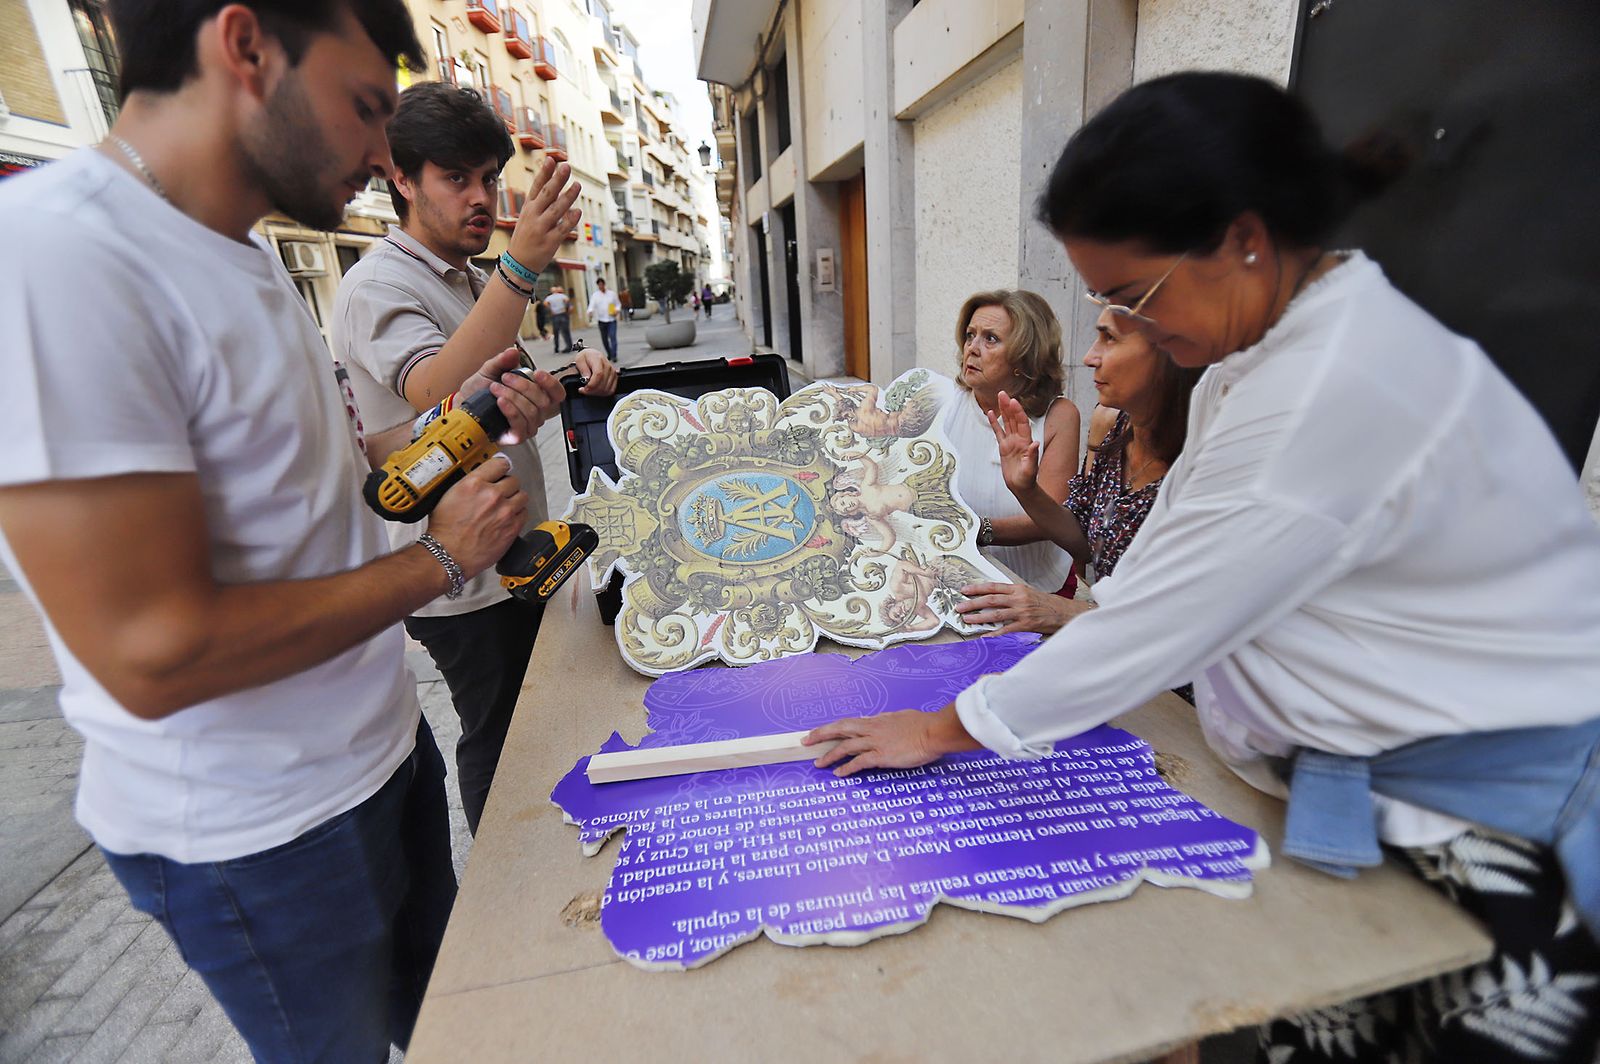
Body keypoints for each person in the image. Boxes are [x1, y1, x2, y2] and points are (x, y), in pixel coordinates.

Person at [807, 72, 1600, 1063]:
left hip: (1483, 815)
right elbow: (1149, 567)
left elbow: (1161, 616)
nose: (1120, 331)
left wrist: (938, 727)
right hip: (1354, 787)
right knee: (1315, 1015)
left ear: (1246, 240)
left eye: (1131, 297)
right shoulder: (1247, 362)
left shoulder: (1331, 386)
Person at [0, 4, 570, 1061]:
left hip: (380, 761)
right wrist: (438, 561)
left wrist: (475, 422)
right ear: (246, 45)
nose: (378, 152)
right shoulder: (56, 255)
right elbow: (153, 649)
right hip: (260, 834)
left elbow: (340, 498)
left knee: (456, 1029)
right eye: (364, 107)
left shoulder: (246, 254)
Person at [334, 82, 616, 835]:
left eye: (490, 177)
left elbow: (491, 410)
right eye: (456, 178)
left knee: (540, 723)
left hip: (512, 551)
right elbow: (435, 390)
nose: (482, 196)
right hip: (458, 580)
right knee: (496, 736)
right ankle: (503, 890)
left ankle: (547, 846)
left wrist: (563, 380)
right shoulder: (378, 285)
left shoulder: (467, 278)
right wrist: (522, 268)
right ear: (403, 180)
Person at [955, 311, 1202, 635]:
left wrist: (1066, 611)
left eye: (1109, 339)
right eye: (970, 335)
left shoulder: (1207, 463)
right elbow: (1085, 543)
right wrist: (1025, 489)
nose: (1089, 357)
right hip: (1107, 641)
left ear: (1166, 355)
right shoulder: (1114, 427)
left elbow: (1190, 614)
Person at [941, 290, 1081, 592]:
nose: (972, 349)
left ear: (1024, 357)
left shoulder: (1058, 417)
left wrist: (977, 530)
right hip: (960, 575)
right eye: (970, 335)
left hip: (1037, 586)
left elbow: (1053, 520)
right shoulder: (946, 404)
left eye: (990, 338)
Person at [588, 277, 621, 361]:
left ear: (604, 284)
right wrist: (590, 311)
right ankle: (609, 353)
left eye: (602, 284)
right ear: (598, 286)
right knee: (604, 339)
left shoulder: (612, 294)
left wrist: (617, 310)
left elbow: (618, 304)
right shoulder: (595, 295)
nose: (601, 286)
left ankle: (614, 355)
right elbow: (591, 305)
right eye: (599, 285)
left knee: (612, 336)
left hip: (611, 319)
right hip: (601, 320)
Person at [545, 283, 572, 353]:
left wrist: (550, 309)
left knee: (556, 332)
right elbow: (567, 300)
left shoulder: (549, 297)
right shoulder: (562, 296)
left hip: (555, 315)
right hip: (562, 313)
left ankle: (556, 348)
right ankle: (569, 346)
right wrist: (565, 309)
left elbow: (545, 303)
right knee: (566, 331)